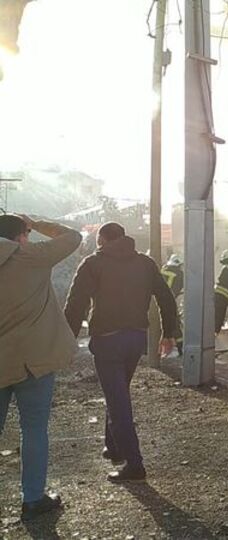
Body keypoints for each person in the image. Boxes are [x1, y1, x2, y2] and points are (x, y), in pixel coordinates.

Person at [64, 222, 178, 483]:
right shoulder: (146, 263)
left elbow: (75, 304)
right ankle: (113, 446)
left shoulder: (93, 263)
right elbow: (166, 297)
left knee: (118, 400)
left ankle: (134, 464)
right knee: (118, 391)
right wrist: (169, 332)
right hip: (137, 338)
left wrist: (67, 341)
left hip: (107, 340)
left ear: (102, 239)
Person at [0, 214, 81, 520]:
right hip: (35, 362)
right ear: (22, 235)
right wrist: (37, 222)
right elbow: (73, 236)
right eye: (27, 233)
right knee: (33, 430)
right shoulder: (32, 256)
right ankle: (33, 499)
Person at [160, 254, 185, 355]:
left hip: (158, 300)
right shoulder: (180, 274)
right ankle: (180, 349)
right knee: (174, 324)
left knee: (156, 325)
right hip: (170, 301)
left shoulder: (163, 269)